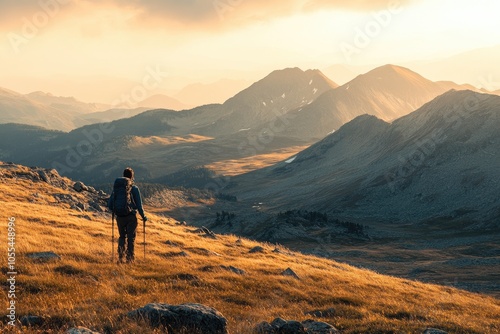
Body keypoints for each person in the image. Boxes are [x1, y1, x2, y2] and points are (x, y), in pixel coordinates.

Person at [108, 167, 147, 263]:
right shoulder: (134, 188)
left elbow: (110, 204)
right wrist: (143, 217)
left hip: (120, 217)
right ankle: (130, 259)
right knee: (130, 238)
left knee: (122, 237)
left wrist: (116, 210)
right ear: (132, 176)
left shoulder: (117, 189)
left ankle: (120, 258)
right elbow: (139, 205)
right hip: (131, 217)